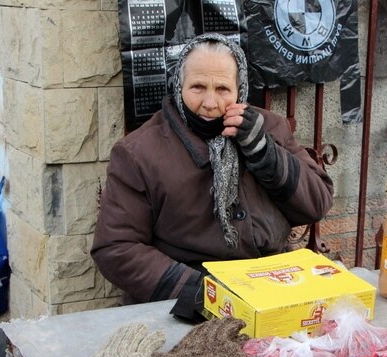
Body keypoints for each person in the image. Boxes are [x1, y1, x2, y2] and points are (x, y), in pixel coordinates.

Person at [92, 33, 334, 323]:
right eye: (197, 87)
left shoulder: (269, 128)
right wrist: (201, 292)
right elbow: (115, 247)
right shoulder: (139, 152)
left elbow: (316, 203)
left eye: (222, 89)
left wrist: (266, 154)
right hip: (188, 303)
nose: (209, 102)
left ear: (240, 89)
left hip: (271, 293)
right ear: (179, 86)